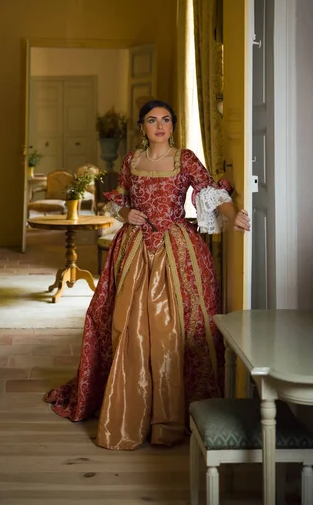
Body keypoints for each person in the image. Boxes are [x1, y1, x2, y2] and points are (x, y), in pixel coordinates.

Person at [46, 100, 250, 451]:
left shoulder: (184, 158)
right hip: (135, 249)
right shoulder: (130, 161)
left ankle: (169, 416)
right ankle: (130, 410)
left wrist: (234, 216)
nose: (160, 126)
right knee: (128, 325)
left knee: (172, 329)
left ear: (173, 125)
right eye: (152, 120)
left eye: (166, 120)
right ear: (142, 126)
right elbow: (119, 200)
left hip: (176, 246)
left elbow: (211, 193)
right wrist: (127, 213)